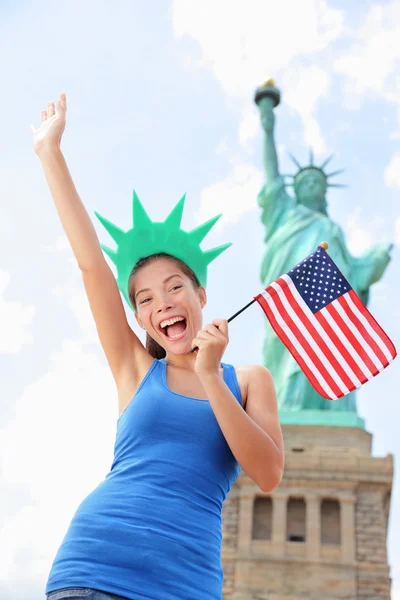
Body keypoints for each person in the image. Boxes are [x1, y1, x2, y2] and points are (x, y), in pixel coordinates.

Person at [30, 93, 284, 600]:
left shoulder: (250, 380)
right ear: (141, 316)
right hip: (92, 569)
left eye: (174, 287)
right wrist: (49, 153)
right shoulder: (134, 367)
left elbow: (268, 472)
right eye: (144, 298)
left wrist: (212, 376)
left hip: (184, 584)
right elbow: (91, 267)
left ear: (201, 295)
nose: (162, 303)